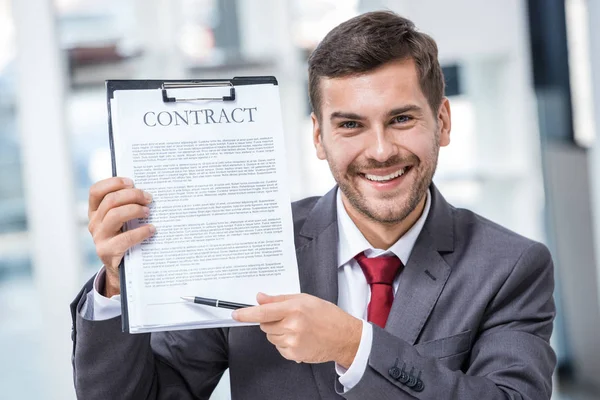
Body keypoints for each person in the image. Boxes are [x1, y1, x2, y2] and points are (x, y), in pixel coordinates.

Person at [71, 11, 556, 399]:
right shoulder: (246, 249)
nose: (381, 150)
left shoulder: (511, 266)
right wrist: (116, 285)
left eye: (402, 119)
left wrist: (352, 344)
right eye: (350, 125)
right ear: (319, 138)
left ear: (443, 122)